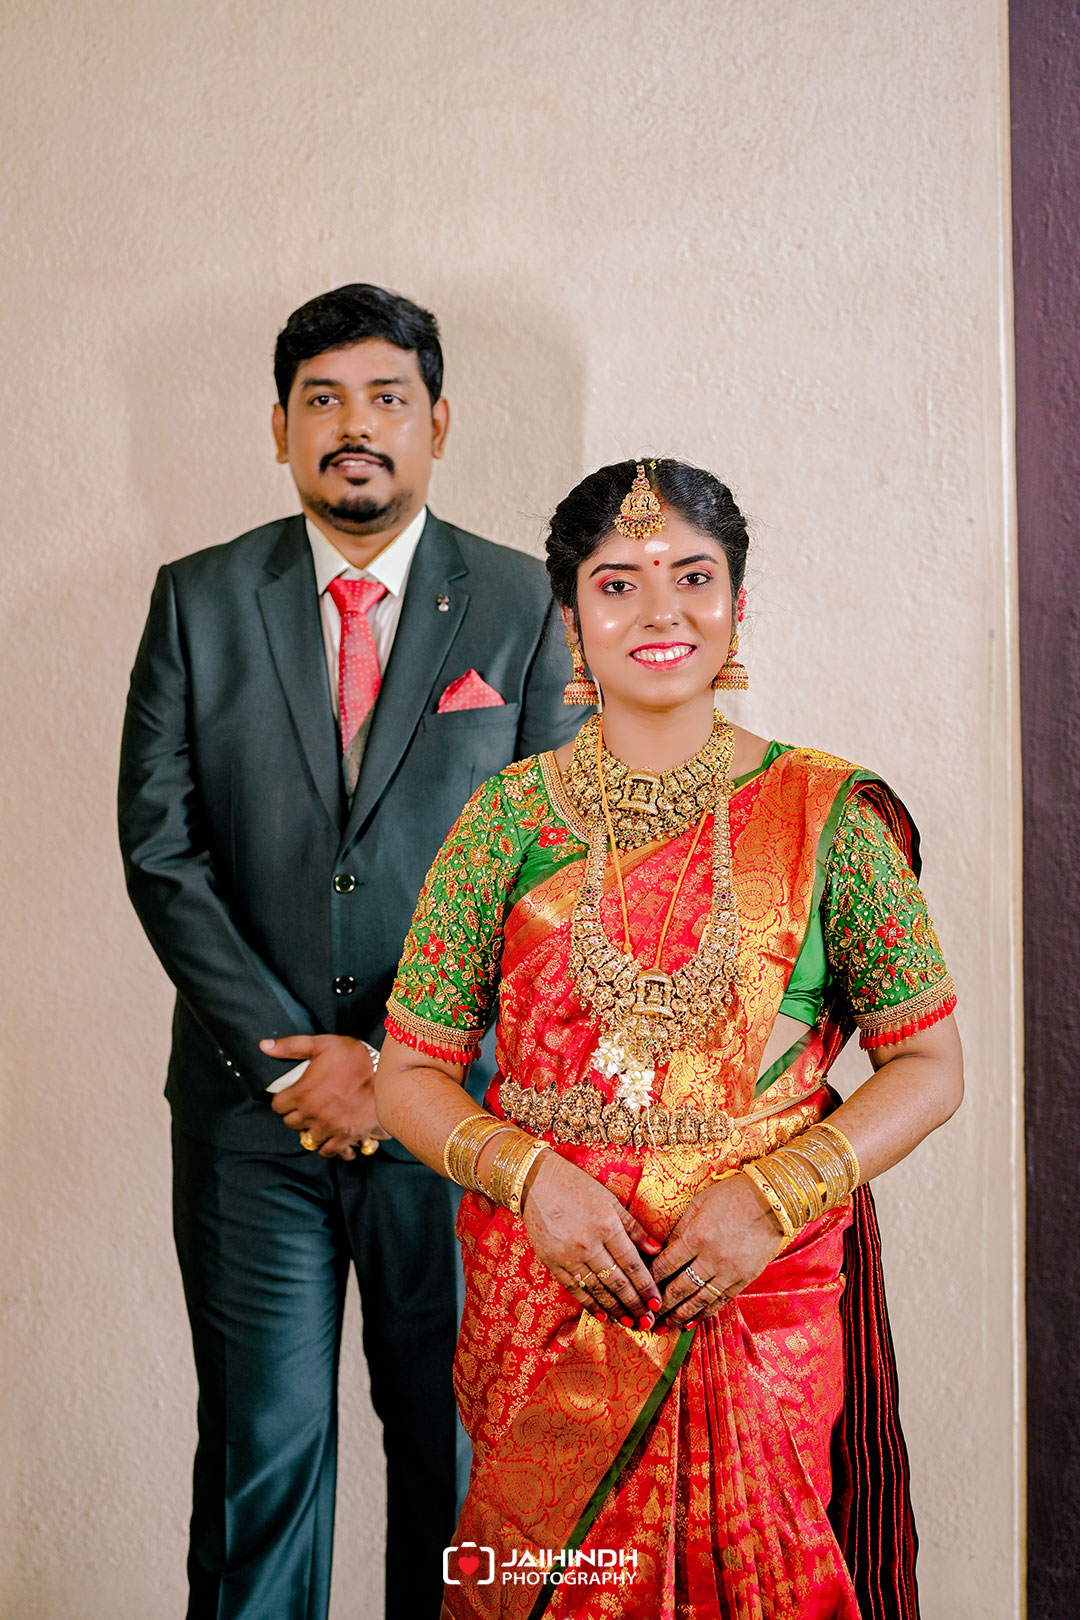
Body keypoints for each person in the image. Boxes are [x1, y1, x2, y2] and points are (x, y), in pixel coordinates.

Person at [374, 458, 963, 1619]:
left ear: (739, 604)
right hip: (546, 1305)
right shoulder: (505, 821)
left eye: (694, 577)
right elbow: (410, 1074)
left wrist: (776, 1196)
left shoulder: (828, 819)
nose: (661, 612)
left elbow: (929, 1067)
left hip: (758, 1298)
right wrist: (532, 1180)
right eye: (618, 583)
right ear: (571, 620)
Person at [118, 282, 580, 1620]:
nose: (354, 426)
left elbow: (550, 873)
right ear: (280, 428)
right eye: (322, 400)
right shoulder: (199, 600)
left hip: (461, 1120)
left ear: (438, 422)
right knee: (258, 1464)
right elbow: (161, 848)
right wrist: (296, 1063)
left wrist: (394, 1066)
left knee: (458, 1461)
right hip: (252, 1118)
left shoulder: (523, 605)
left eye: (386, 398)